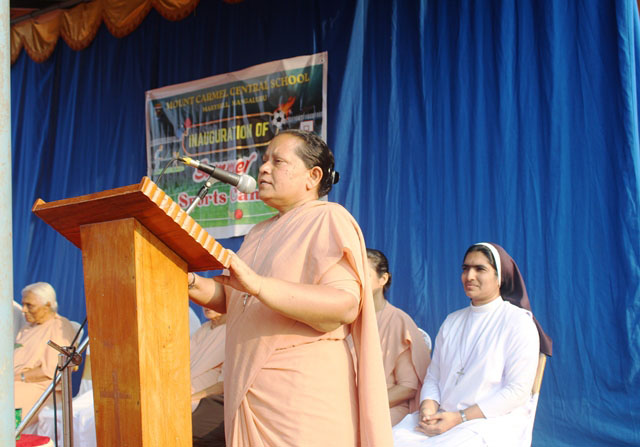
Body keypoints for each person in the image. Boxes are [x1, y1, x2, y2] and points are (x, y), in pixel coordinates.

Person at [188, 129, 392, 446]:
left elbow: (343, 305)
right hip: (250, 390)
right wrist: (187, 281)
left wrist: (259, 285)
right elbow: (234, 300)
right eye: (264, 160)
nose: (263, 168)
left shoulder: (329, 218)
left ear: (313, 176)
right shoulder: (258, 233)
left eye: (278, 161)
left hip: (298, 399)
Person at [393, 242, 553, 446]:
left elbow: (517, 391)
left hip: (490, 422)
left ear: (500, 277)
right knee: (388, 439)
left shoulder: (518, 322)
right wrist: (427, 410)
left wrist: (460, 418)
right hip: (444, 416)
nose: (469, 276)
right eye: (465, 268)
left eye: (480, 269)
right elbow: (433, 377)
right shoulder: (452, 321)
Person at [367, 248, 431, 425]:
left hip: (385, 408)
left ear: (383, 279)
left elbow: (407, 387)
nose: (358, 281)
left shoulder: (398, 321)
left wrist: (365, 406)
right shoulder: (344, 318)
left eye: (365, 274)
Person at [14, 282, 77, 426]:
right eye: (23, 304)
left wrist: (18, 377)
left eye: (29, 305)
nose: (23, 310)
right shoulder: (28, 328)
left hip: (40, 389)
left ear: (47, 306)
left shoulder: (59, 326)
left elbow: (52, 370)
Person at [191, 307, 227, 447]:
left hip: (205, 404)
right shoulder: (204, 329)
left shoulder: (234, 331)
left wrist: (190, 398)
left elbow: (224, 385)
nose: (207, 305)